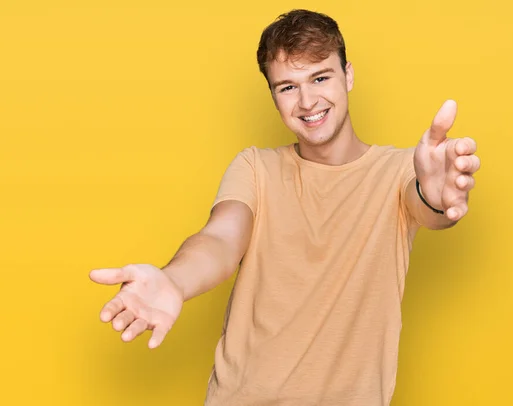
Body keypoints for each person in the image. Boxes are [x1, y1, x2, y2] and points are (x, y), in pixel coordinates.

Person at [89, 9, 480, 406]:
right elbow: (221, 240)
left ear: (348, 76)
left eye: (320, 77)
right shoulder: (255, 168)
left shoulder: (398, 172)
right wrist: (174, 281)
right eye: (287, 87)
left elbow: (426, 206)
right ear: (273, 96)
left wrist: (436, 195)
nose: (307, 101)